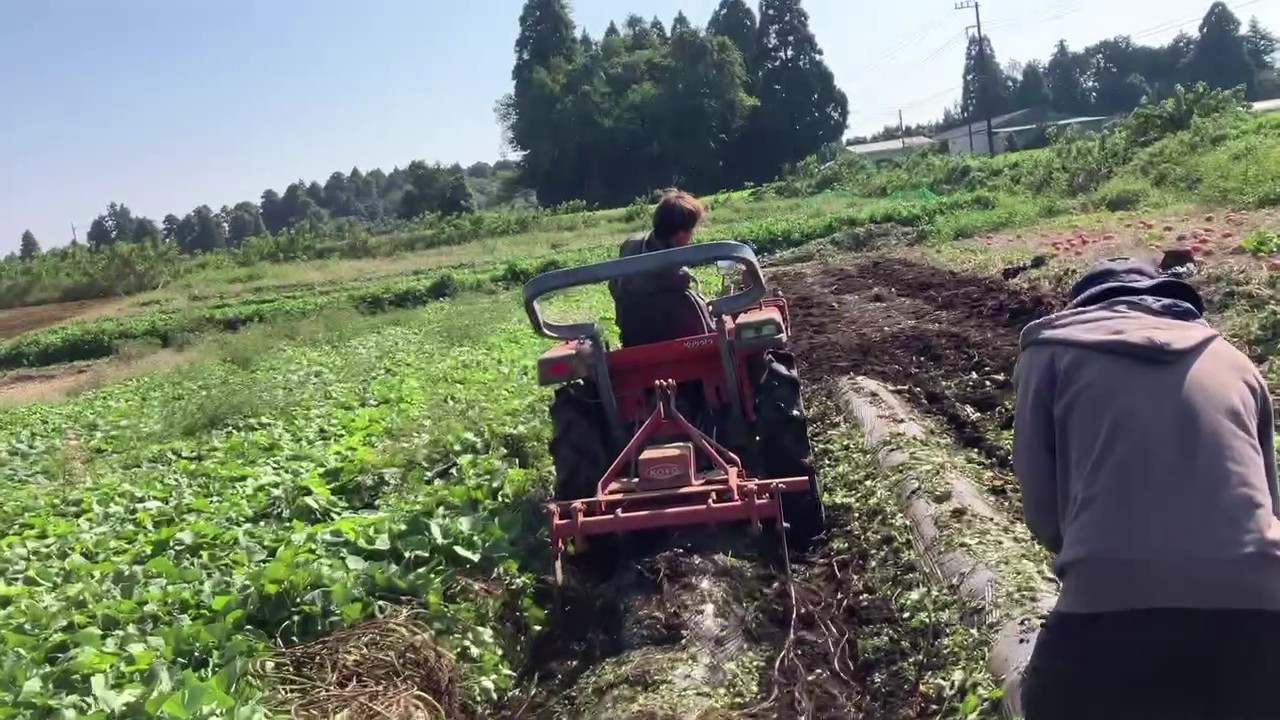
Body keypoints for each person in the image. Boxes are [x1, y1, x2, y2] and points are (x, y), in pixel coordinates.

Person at [1012, 257, 1280, 720]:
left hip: (1110, 602)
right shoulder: (1236, 362)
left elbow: (1041, 507)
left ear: (1083, 307)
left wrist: (1101, 555)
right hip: (1262, 604)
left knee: (1043, 704)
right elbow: (1268, 500)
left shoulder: (1048, 354)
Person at [609, 190, 713, 347]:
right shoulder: (677, 277)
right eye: (691, 231)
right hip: (682, 345)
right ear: (681, 234)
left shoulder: (630, 246)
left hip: (633, 339)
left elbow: (614, 287)